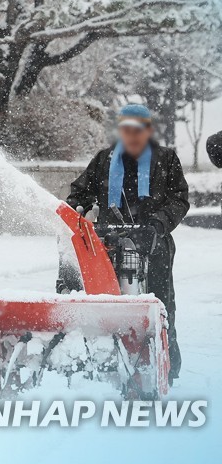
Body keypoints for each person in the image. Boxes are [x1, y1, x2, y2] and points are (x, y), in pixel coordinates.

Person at [62, 104, 189, 383]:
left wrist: (157, 224)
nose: (132, 135)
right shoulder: (104, 160)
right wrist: (78, 206)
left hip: (154, 245)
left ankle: (166, 363)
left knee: (160, 302)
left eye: (138, 129)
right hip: (111, 243)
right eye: (126, 128)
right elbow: (81, 191)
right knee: (110, 300)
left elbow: (179, 199)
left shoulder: (166, 159)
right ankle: (110, 357)